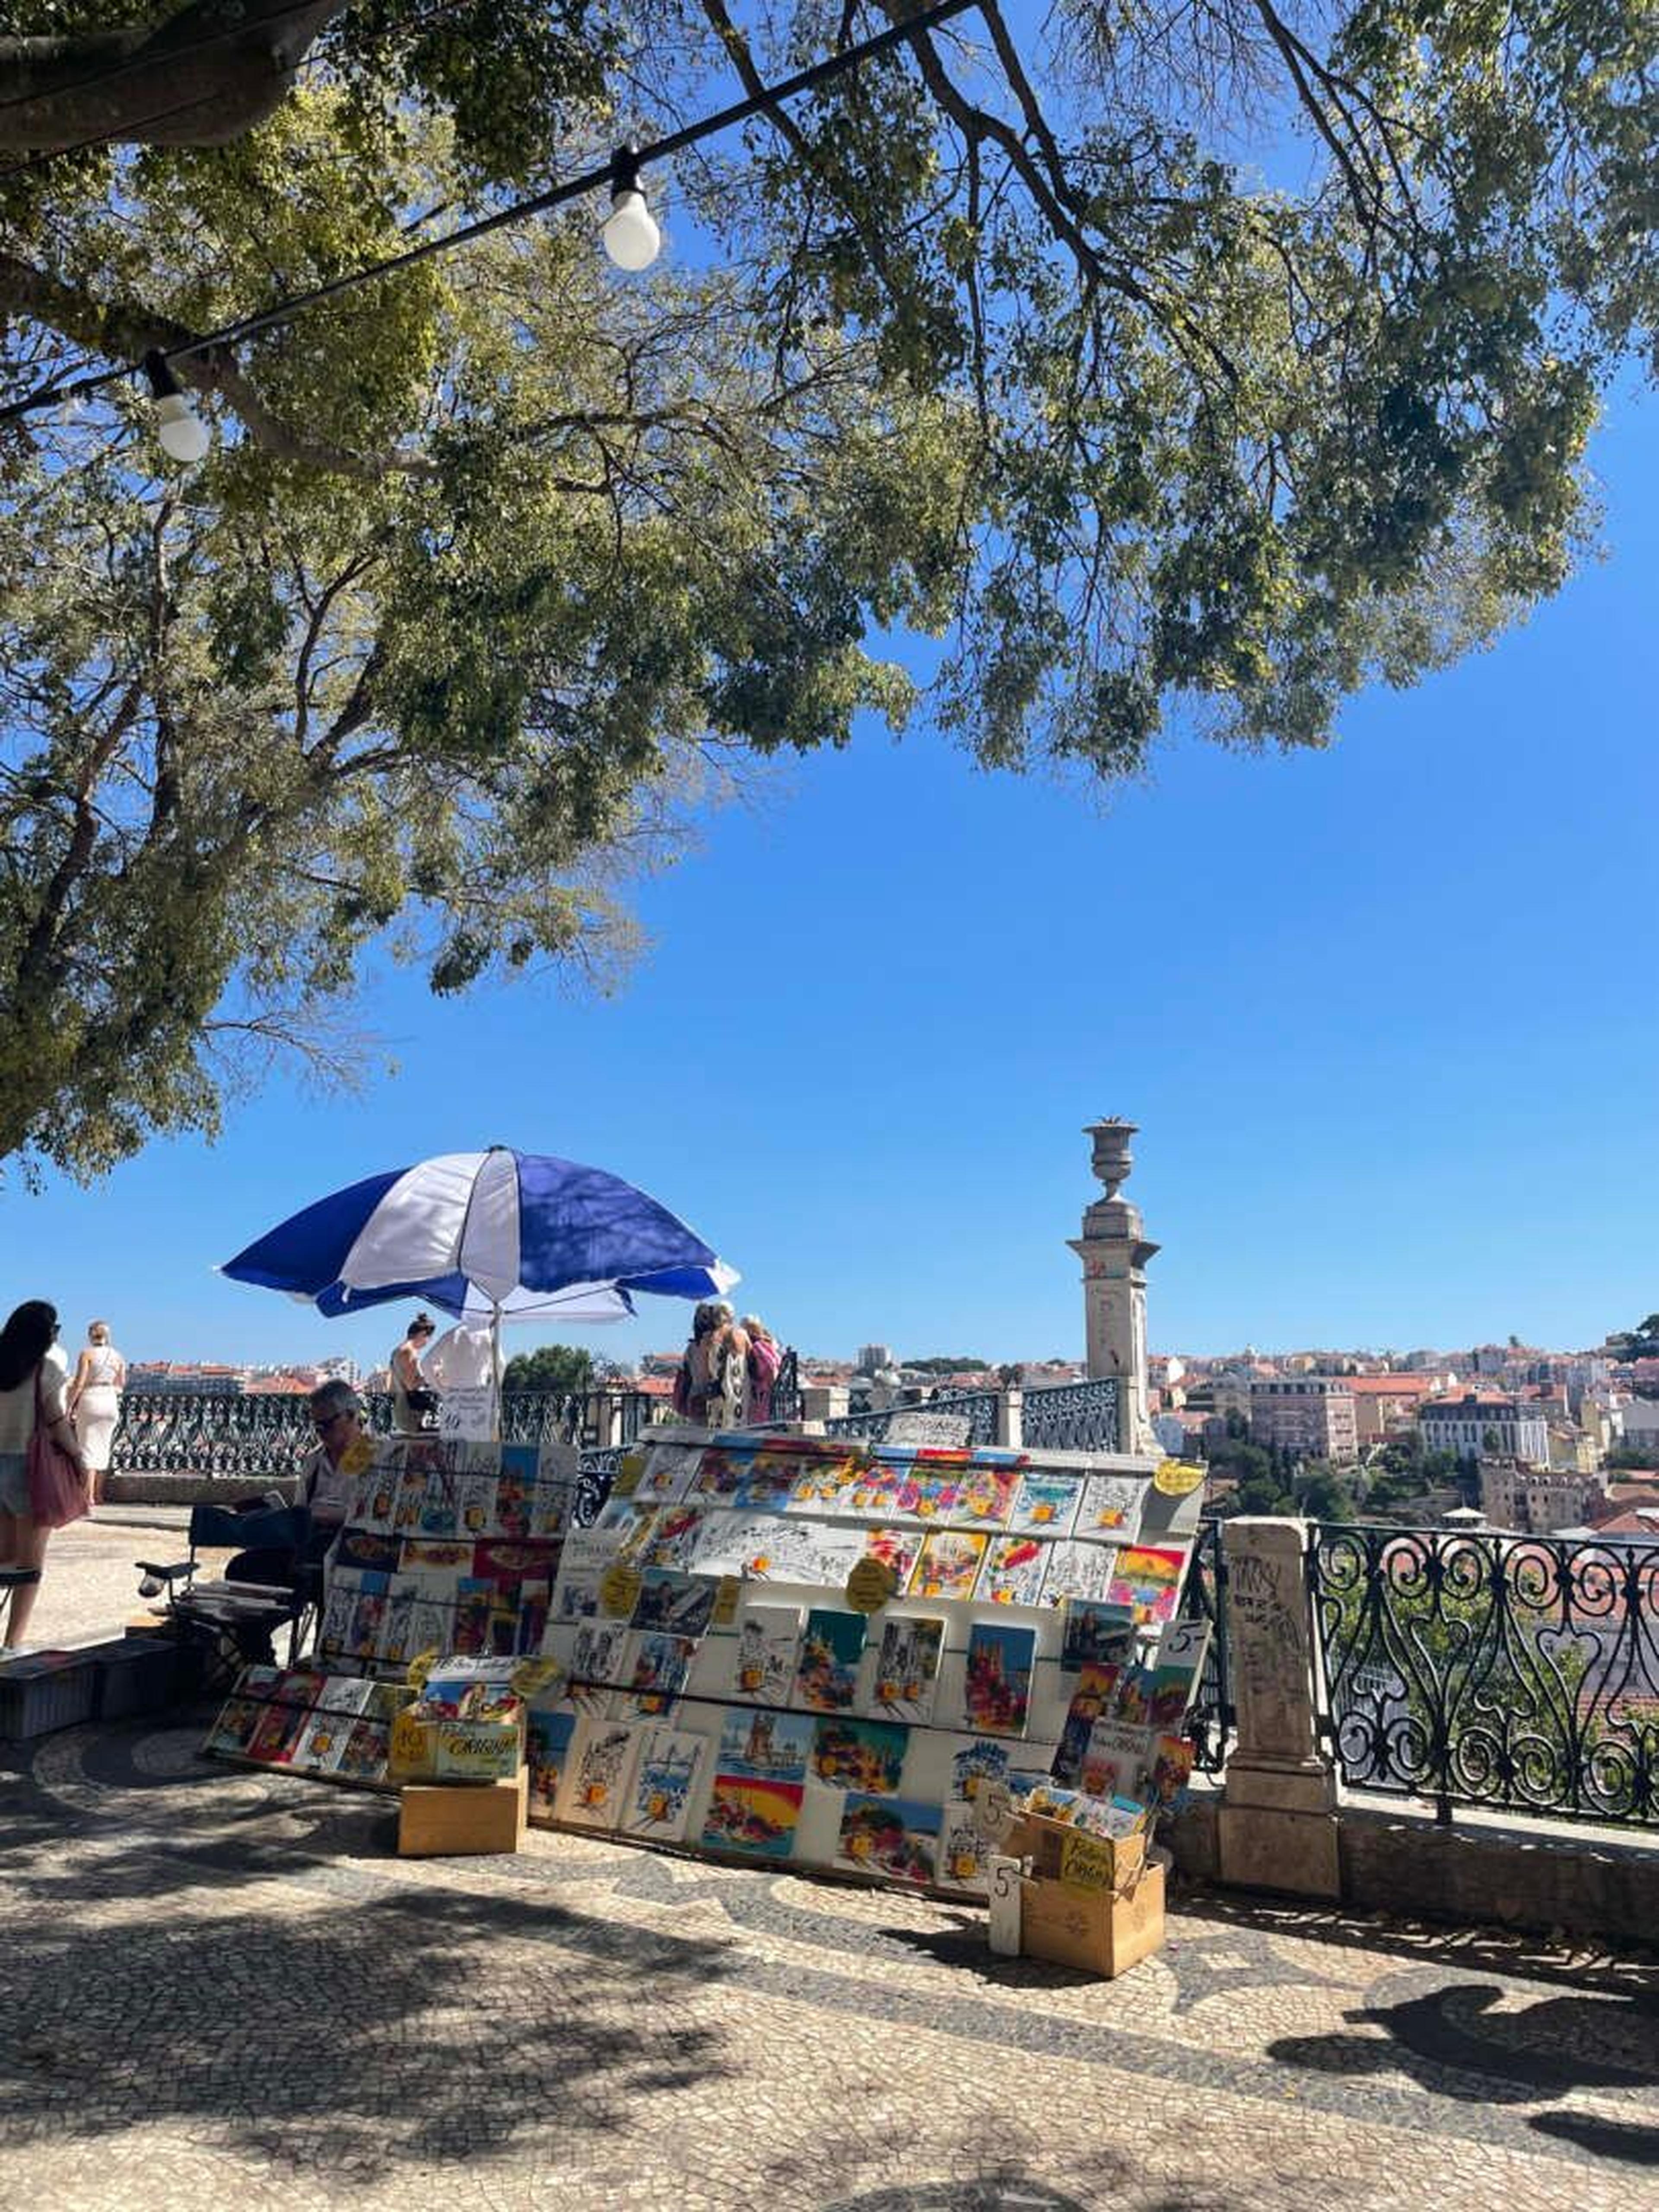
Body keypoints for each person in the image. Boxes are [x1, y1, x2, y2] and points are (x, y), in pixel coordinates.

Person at [0, 1300, 91, 1649]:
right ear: (44, 1334)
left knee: (5, 1556)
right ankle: (12, 1645)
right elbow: (55, 1422)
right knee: (29, 1565)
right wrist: (78, 1458)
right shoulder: (45, 1370)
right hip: (29, 1468)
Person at [67, 1319, 126, 1507]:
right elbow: (121, 1383)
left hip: (91, 1400)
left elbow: (80, 1382)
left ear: (90, 1336)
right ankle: (100, 1494)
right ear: (107, 1336)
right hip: (110, 1401)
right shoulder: (118, 1356)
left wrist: (70, 1405)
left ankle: (88, 1496)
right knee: (103, 1448)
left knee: (88, 1449)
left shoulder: (87, 1354)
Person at [675, 1301, 750, 1427]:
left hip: (711, 1396)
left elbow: (705, 1375)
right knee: (737, 1431)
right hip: (740, 1392)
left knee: (713, 1437)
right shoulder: (742, 1334)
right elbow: (752, 1358)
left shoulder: (707, 1340)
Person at [391, 1312, 438, 1433]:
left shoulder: (399, 1350)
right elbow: (411, 1385)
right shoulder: (409, 1352)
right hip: (410, 1415)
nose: (428, 1343)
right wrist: (432, 1374)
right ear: (423, 1334)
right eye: (429, 1338)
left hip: (402, 1411)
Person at [743, 1316, 782, 1424]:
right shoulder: (768, 1344)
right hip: (769, 1394)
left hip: (763, 1396)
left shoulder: (757, 1347)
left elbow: (771, 1367)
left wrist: (770, 1385)